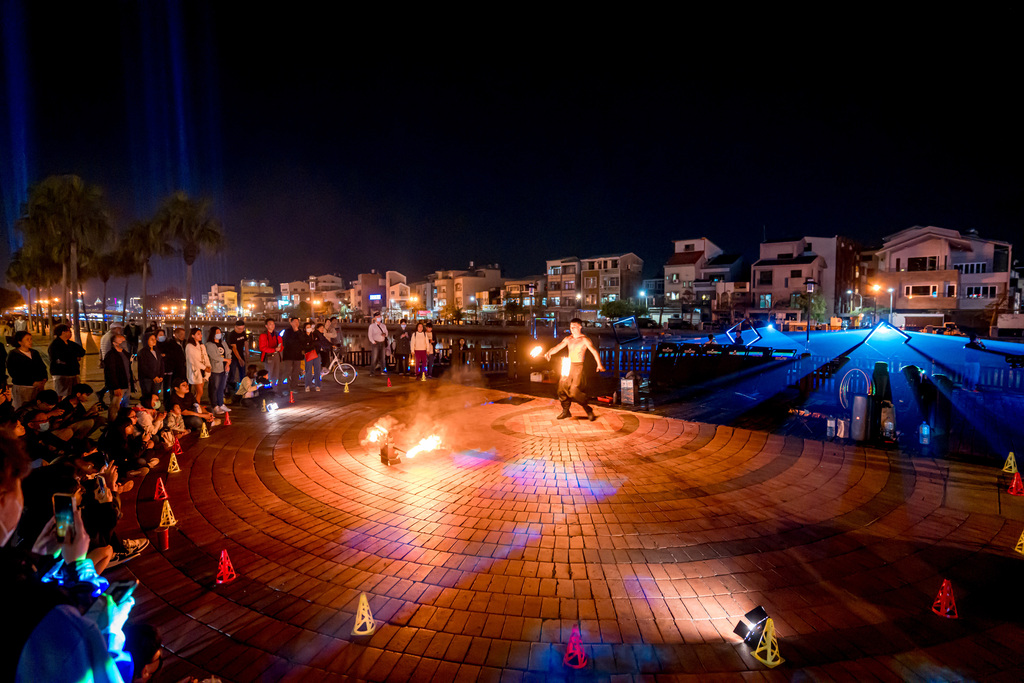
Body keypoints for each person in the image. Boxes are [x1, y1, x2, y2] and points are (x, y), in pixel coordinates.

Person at [0, 436, 135, 683]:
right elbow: (99, 664)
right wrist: (80, 568)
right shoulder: (44, 610)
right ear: (3, 497)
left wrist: (40, 560)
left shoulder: (17, 566)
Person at [544, 318, 606, 421]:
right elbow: (558, 347)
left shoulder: (585, 339)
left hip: (578, 366)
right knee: (561, 389)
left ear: (580, 327)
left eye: (574, 327)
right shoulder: (568, 339)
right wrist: (549, 352)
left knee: (574, 391)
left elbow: (594, 352)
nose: (571, 329)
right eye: (570, 327)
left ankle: (588, 409)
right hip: (567, 365)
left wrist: (599, 364)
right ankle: (566, 411)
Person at [7, 331, 48, 409]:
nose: (30, 341)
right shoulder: (14, 355)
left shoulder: (34, 353)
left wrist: (44, 379)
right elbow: (15, 373)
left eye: (31, 339)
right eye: (27, 339)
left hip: (38, 387)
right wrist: (32, 382)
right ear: (19, 342)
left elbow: (42, 367)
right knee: (24, 409)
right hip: (23, 388)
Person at [47, 324, 86, 399]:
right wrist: (74, 356)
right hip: (61, 373)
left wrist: (74, 356)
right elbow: (62, 357)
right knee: (60, 393)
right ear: (63, 332)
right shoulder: (55, 345)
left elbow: (82, 351)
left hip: (73, 372)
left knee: (73, 394)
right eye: (69, 331)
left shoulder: (70, 343)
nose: (71, 333)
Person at [102, 332, 135, 420]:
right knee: (115, 406)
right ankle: (112, 423)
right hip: (119, 386)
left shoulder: (124, 353)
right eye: (121, 341)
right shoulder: (111, 355)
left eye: (124, 341)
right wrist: (116, 387)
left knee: (125, 405)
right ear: (114, 343)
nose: (124, 343)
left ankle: (123, 421)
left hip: (126, 383)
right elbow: (110, 373)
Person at [204, 327, 231, 413]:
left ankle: (221, 403)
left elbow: (228, 353)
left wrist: (228, 363)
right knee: (214, 387)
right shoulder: (209, 345)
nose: (219, 334)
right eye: (217, 332)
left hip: (224, 368)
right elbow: (214, 357)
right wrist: (226, 360)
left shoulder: (223, 343)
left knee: (222, 387)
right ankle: (214, 405)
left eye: (220, 332)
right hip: (215, 369)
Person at [280, 317, 310, 395]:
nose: (296, 323)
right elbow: (287, 342)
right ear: (291, 323)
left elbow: (303, 341)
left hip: (297, 355)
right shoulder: (287, 331)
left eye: (298, 322)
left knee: (296, 372)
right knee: (287, 372)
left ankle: (294, 387)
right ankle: (286, 388)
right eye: (295, 322)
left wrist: (297, 332)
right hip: (288, 355)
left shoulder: (300, 332)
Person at [158, 328, 186, 405]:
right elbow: (170, 356)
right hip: (173, 369)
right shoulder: (170, 343)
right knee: (169, 387)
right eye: (181, 334)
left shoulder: (184, 343)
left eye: (184, 334)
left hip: (181, 369)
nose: (183, 336)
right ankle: (168, 402)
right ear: (175, 334)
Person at [184, 328, 211, 406]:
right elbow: (193, 360)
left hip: (203, 370)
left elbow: (206, 357)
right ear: (193, 335)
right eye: (198, 334)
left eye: (201, 334)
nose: (200, 336)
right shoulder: (190, 346)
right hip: (196, 370)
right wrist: (204, 367)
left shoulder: (202, 345)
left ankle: (196, 404)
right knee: (199, 391)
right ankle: (196, 406)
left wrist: (208, 366)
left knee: (199, 391)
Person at [135, 333, 165, 399]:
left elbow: (161, 364)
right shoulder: (142, 353)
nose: (154, 341)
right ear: (146, 340)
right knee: (148, 397)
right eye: (152, 339)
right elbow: (143, 367)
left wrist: (161, 376)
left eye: (155, 339)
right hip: (147, 379)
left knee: (156, 396)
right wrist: (153, 376)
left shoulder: (157, 351)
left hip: (157, 379)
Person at [258, 318, 283, 390]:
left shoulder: (277, 334)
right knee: (269, 372)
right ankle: (267, 388)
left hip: (277, 355)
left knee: (276, 373)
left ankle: (274, 389)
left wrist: (279, 348)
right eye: (270, 324)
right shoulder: (263, 335)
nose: (272, 325)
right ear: (266, 326)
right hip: (268, 355)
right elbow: (262, 347)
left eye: (273, 324)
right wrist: (273, 349)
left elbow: (281, 345)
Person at [225, 319, 248, 396]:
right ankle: (229, 390)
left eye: (242, 328)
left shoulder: (243, 333)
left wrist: (247, 353)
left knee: (243, 372)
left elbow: (245, 342)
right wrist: (240, 359)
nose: (241, 330)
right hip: (233, 357)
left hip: (241, 355)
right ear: (235, 327)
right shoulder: (232, 335)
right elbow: (234, 348)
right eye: (239, 329)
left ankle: (242, 388)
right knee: (232, 373)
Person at [307, 323, 332, 392]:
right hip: (315, 351)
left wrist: (331, 345)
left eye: (323, 328)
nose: (322, 329)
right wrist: (329, 346)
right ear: (317, 328)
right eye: (321, 328)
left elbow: (325, 341)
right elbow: (320, 343)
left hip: (317, 351)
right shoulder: (316, 334)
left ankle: (319, 373)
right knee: (322, 360)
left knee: (325, 357)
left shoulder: (321, 335)